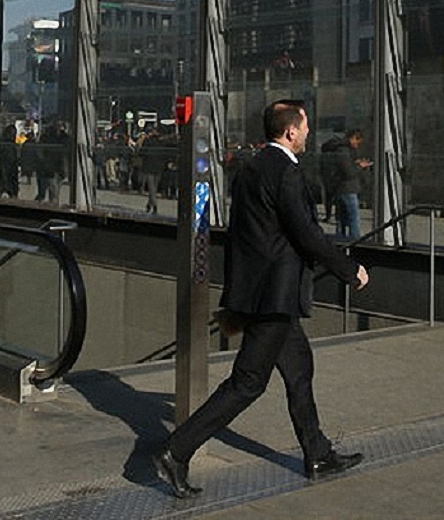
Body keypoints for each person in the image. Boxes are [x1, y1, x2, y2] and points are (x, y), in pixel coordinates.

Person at [154, 100, 370, 498]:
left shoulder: (250, 167)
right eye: (305, 127)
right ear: (291, 131)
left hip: (263, 293)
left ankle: (317, 453)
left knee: (299, 369)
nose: (307, 134)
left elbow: (245, 235)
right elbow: (307, 234)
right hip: (274, 296)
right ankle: (175, 450)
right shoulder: (286, 173)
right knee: (247, 383)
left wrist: (237, 292)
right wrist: (348, 268)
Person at [331, 129, 372, 239]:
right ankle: (355, 239)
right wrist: (360, 166)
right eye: (357, 142)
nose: (358, 145)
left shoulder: (344, 151)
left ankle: (341, 238)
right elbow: (348, 172)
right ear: (353, 138)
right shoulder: (343, 151)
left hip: (343, 188)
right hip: (347, 189)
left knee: (342, 218)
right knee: (353, 217)